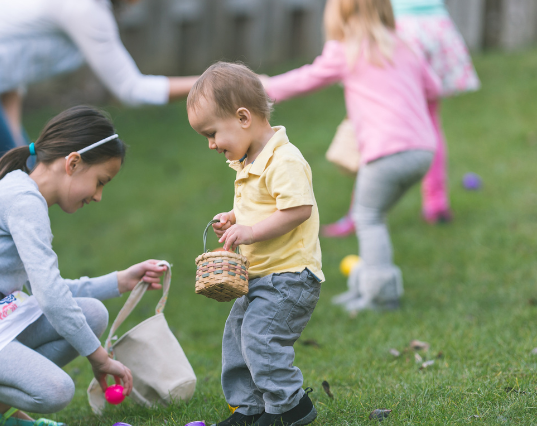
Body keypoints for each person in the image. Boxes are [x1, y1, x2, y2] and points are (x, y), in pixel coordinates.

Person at [0, 106, 169, 426]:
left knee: (92, 314)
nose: (99, 196)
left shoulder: (23, 194)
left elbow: (50, 291)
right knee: (55, 391)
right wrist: (99, 359)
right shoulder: (23, 201)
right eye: (100, 181)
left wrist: (119, 281)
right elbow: (50, 297)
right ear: (73, 163)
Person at [262, 0, 440, 311]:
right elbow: (434, 87)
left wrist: (264, 87)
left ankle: (381, 296)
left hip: (386, 153)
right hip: (423, 150)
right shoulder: (404, 46)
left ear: (338, 16)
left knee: (368, 218)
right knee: (373, 214)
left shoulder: (347, 49)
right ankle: (365, 286)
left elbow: (306, 78)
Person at [0, 0, 199, 180]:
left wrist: (12, 135)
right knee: (16, 186)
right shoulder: (83, 9)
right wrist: (217, 82)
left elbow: (11, 66)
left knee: (19, 177)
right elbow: (132, 89)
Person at [187, 62, 324, 426]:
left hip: (290, 276)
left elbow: (296, 210)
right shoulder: (249, 162)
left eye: (213, 133)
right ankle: (249, 408)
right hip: (260, 277)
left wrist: (250, 232)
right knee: (237, 339)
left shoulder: (284, 159)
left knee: (261, 340)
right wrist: (235, 218)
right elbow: (259, 205)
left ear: (243, 117)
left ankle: (290, 408)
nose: (211, 144)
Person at [321, 0, 480, 237]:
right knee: (429, 121)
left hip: (396, 23)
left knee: (376, 116)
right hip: (435, 25)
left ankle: (359, 212)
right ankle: (436, 206)